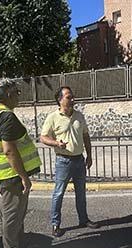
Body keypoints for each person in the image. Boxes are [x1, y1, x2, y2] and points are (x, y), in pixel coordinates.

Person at [0, 78, 42, 248]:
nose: (19, 96)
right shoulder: (6, 116)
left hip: (5, 173)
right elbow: (9, 150)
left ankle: (19, 245)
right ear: (8, 95)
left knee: (18, 212)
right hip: (10, 174)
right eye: (17, 92)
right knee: (12, 213)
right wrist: (23, 177)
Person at [39, 86, 99, 237]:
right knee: (58, 193)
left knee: (81, 193)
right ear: (60, 100)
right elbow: (43, 137)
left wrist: (89, 156)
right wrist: (56, 143)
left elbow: (86, 136)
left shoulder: (79, 116)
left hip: (79, 160)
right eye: (68, 97)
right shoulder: (52, 117)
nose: (72, 100)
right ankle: (55, 224)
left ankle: (83, 220)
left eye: (73, 97)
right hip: (63, 161)